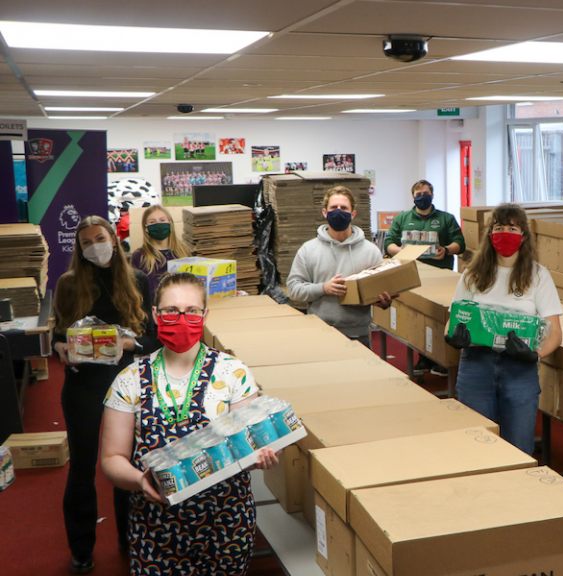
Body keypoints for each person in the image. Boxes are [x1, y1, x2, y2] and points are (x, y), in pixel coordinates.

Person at [100, 273, 278, 574]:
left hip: (226, 521)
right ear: (156, 315)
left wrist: (260, 456)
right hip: (156, 525)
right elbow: (111, 458)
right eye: (171, 311)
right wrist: (139, 480)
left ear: (205, 315)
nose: (181, 318)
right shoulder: (129, 379)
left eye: (191, 311)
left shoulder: (232, 373)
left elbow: (247, 445)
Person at [52, 215, 159, 574]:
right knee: (82, 468)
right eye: (86, 242)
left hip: (128, 385)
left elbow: (153, 338)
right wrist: (61, 348)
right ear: (79, 249)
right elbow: (57, 334)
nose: (94, 246)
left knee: (126, 465)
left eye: (99, 238)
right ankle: (81, 549)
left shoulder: (137, 281)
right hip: (83, 386)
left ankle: (131, 540)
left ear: (113, 239)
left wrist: (129, 343)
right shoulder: (68, 284)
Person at [446, 204, 562, 454]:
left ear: (524, 235)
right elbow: (453, 321)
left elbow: (555, 332)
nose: (505, 233)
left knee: (518, 447)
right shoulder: (472, 275)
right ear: (490, 234)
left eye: (512, 228)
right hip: (476, 365)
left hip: (519, 368)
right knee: (474, 444)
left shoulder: (538, 276)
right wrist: (454, 337)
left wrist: (535, 355)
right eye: (499, 228)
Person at [286, 185, 393, 348]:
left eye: (343, 208)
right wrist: (323, 288)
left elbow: (379, 291)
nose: (338, 211)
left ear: (353, 213)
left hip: (359, 335)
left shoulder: (370, 251)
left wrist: (383, 301)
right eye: (333, 207)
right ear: (324, 212)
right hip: (320, 333)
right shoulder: (308, 250)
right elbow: (293, 289)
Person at [384, 179, 466, 375]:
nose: (422, 197)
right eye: (418, 194)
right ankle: (423, 356)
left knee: (438, 317)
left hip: (439, 276)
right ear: (413, 196)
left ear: (433, 195)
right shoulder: (403, 218)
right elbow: (389, 243)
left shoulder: (446, 219)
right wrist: (401, 251)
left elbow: (459, 243)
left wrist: (446, 250)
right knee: (417, 316)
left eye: (426, 193)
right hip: (411, 275)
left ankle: (441, 357)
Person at [130, 205, 190, 297]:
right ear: (146, 228)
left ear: (170, 223)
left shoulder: (184, 251)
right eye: (152, 222)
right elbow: (135, 292)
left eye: (162, 220)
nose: (158, 224)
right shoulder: (139, 256)